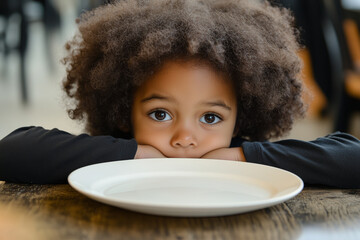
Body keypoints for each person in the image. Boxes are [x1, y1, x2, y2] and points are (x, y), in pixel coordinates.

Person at [0, 0, 359, 187]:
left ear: (242, 114)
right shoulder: (112, 153)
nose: (185, 138)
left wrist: (242, 158)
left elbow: (351, 157)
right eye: (160, 113)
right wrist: (134, 155)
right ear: (125, 107)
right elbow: (12, 151)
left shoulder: (238, 152)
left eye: (210, 118)